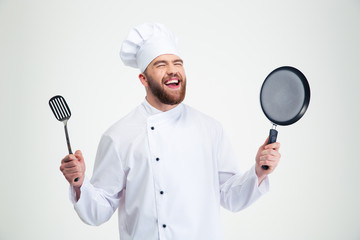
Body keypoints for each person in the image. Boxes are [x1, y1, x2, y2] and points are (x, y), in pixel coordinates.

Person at [60, 22, 281, 240]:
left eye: (177, 63)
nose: (173, 70)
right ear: (143, 79)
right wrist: (79, 184)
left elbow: (230, 197)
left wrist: (259, 172)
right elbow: (99, 211)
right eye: (161, 65)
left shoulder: (210, 129)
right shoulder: (118, 136)